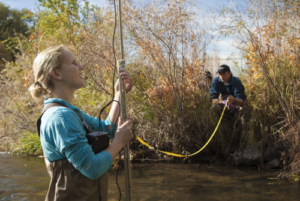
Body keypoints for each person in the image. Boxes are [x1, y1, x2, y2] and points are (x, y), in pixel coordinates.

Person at [28, 45, 133, 201]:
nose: (81, 67)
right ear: (56, 73)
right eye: (74, 63)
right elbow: (93, 168)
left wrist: (118, 94)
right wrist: (118, 143)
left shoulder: (68, 112)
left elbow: (106, 129)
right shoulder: (61, 117)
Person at [210, 64, 249, 140]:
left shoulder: (236, 82)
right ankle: (217, 136)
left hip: (235, 104)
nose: (222, 76)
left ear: (229, 73)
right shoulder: (216, 81)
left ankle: (243, 136)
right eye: (220, 74)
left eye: (224, 74)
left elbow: (242, 102)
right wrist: (223, 102)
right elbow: (213, 99)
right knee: (213, 108)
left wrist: (234, 101)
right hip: (222, 104)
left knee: (245, 109)